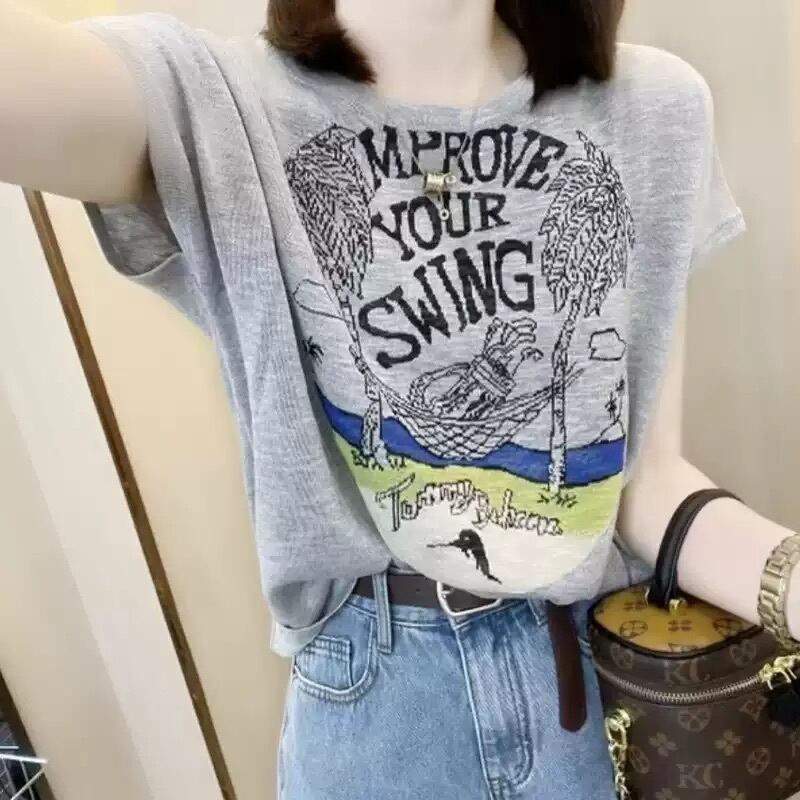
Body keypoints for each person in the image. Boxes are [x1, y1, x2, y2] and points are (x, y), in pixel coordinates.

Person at [1, 0, 798, 797]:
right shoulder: (217, 105)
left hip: (593, 689)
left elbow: (647, 487)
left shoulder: (652, 110)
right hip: (379, 705)